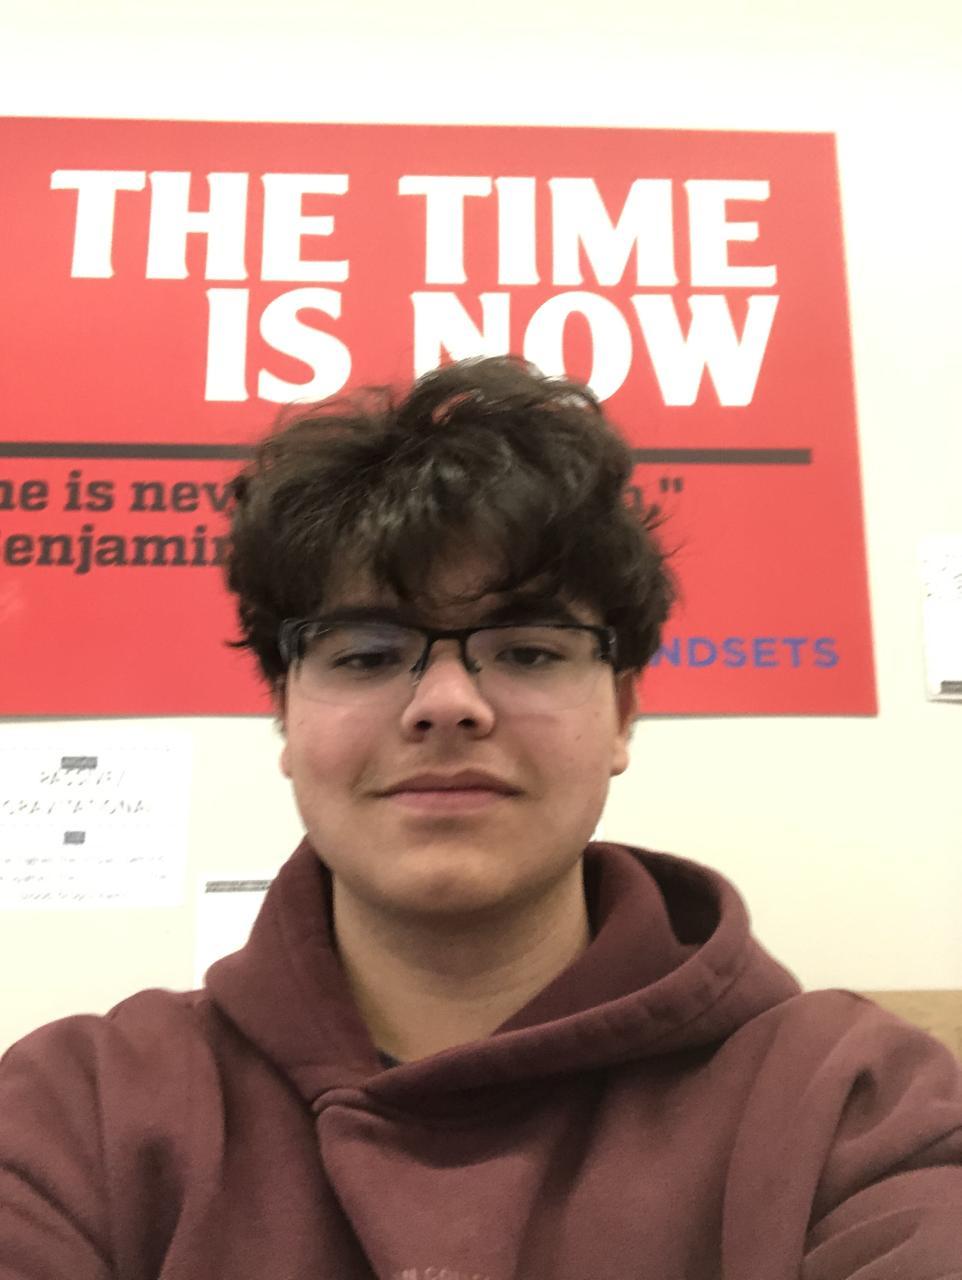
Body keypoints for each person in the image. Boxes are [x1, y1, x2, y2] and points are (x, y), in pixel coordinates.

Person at [1, 356, 960, 1280]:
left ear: (622, 712)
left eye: (530, 651)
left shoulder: (857, 1103)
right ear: (285, 714)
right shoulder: (77, 1113)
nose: (448, 704)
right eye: (367, 654)